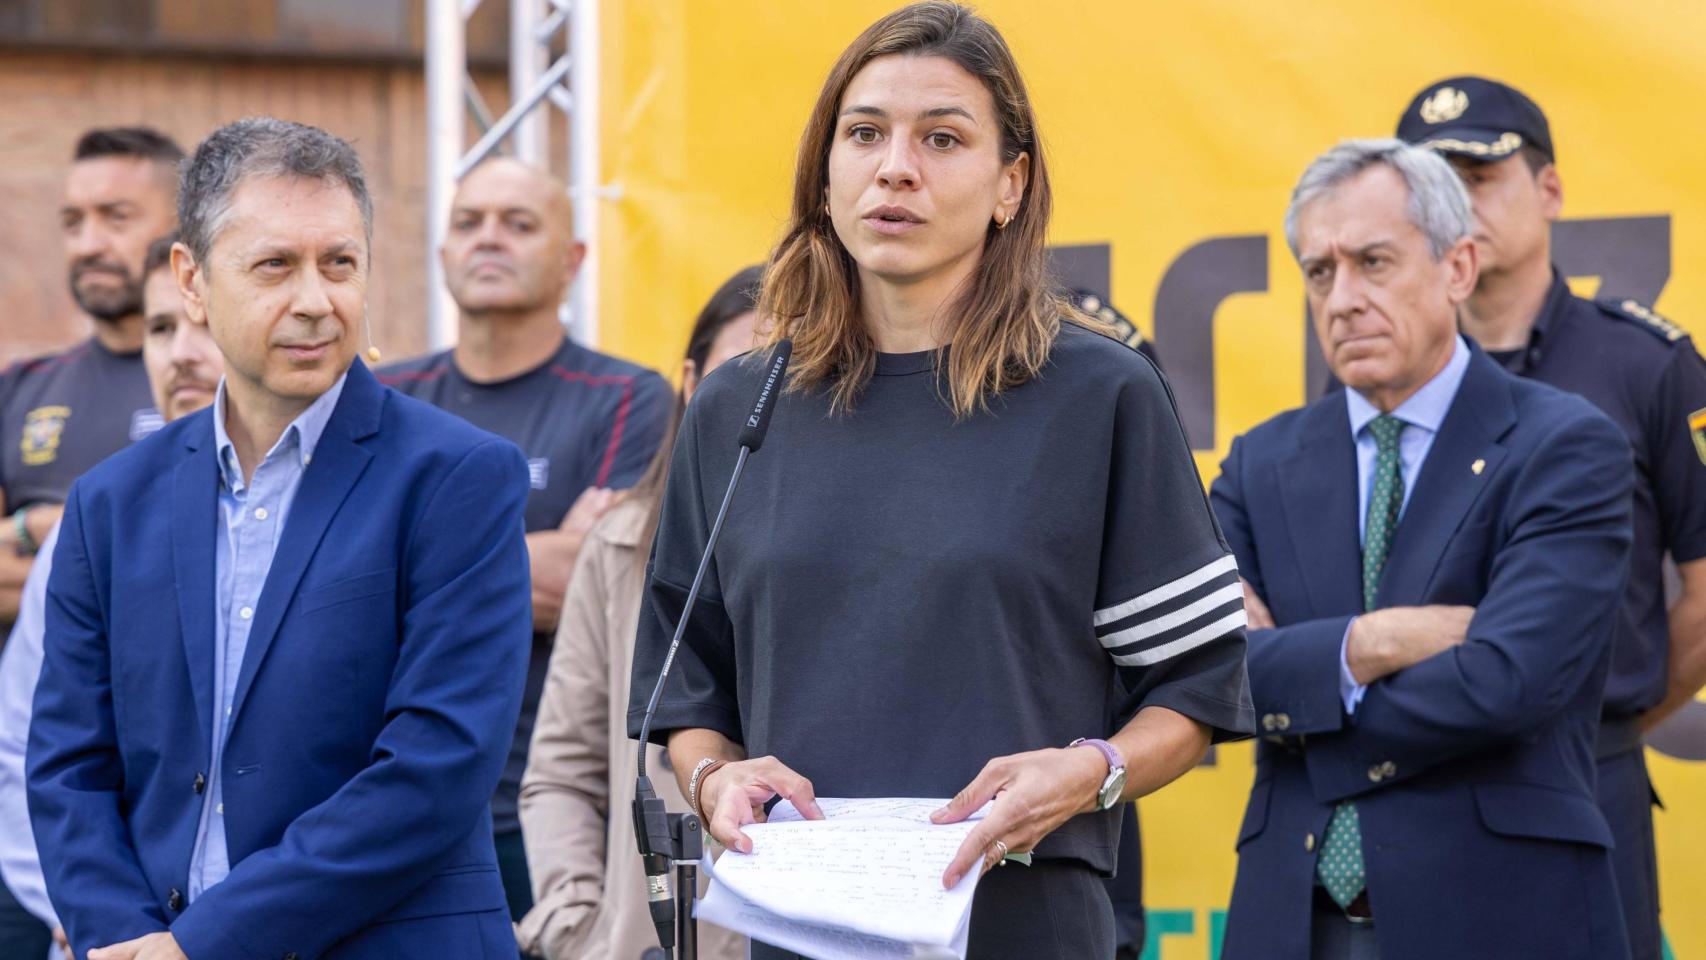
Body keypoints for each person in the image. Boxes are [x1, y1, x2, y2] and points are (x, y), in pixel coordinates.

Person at [627, 5, 1253, 958]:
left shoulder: (1101, 396)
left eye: (943, 138)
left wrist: (1092, 770)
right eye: (865, 132)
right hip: (801, 928)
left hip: (1025, 922)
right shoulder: (734, 409)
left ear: (1012, 183)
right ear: (825, 170)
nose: (896, 167)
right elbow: (688, 695)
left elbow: (1200, 687)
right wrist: (715, 780)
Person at [26, 117, 532, 960]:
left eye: (340, 263)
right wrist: (124, 937)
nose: (314, 299)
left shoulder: (458, 477)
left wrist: (206, 943)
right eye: (275, 266)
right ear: (191, 280)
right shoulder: (110, 503)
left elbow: (436, 765)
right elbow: (68, 765)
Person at [1214, 139, 1634, 960]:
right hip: (1290, 926)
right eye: (1320, 271)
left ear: (1458, 267)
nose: (1342, 298)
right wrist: (1368, 644)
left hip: (1503, 918)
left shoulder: (1564, 446)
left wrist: (1297, 685)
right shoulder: (1257, 463)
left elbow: (1507, 682)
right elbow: (1207, 672)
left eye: (1373, 262)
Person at [1396, 76, 1706, 960]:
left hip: (1587, 778)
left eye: (1481, 176)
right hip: (1416, 782)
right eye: (1432, 184)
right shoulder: (1379, 371)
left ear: (1552, 191)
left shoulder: (1647, 362)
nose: (1457, 204)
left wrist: (1589, 719)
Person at [377, 157, 671, 921]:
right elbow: (333, 580)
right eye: (468, 223)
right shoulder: (383, 398)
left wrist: (400, 569)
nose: (489, 240)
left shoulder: (628, 397)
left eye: (519, 223)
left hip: (548, 805)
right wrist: (528, 556)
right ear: (441, 253)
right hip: (391, 796)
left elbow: (589, 578)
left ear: (573, 258)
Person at [517, 266, 763, 960]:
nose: (766, 401)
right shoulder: (622, 543)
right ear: (691, 380)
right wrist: (576, 928)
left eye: (799, 375)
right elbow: (563, 771)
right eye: (743, 369)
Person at [0, 231, 224, 960]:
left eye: (205, 324)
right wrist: (97, 917)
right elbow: (32, 751)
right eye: (160, 328)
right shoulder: (96, 519)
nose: (181, 353)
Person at [0, 127, 181, 627]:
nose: (87, 244)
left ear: (184, 227)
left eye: (116, 218)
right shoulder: (20, 388)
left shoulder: (210, 384)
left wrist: (39, 535)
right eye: (73, 222)